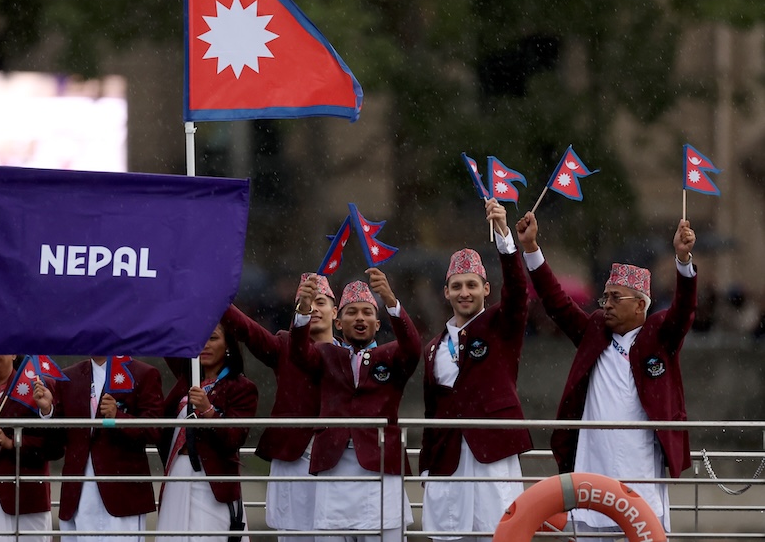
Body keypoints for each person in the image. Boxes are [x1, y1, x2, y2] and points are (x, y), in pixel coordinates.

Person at [516, 212, 698, 540]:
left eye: (616, 298)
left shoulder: (659, 335)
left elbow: (684, 310)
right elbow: (556, 301)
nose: (607, 305)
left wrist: (683, 261)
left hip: (639, 469)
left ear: (641, 305)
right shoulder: (594, 330)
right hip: (592, 466)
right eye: (605, 297)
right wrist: (531, 248)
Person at [420, 199, 531, 542]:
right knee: (448, 536)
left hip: (491, 451)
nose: (464, 292)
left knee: (497, 533)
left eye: (471, 285)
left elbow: (518, 293)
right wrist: (426, 461)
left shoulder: (501, 326)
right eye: (456, 286)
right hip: (448, 457)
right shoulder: (433, 347)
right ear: (446, 293)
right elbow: (432, 407)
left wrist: (503, 237)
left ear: (486, 289)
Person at [291, 267, 422, 542]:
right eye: (351, 312)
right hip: (334, 466)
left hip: (381, 464)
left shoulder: (391, 356)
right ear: (338, 322)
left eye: (367, 312)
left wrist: (390, 300)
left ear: (377, 324)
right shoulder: (324, 354)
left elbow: (412, 348)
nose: (359, 318)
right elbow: (298, 353)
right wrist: (303, 311)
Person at [221, 273, 337, 542]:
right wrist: (215, 297)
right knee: (292, 534)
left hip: (337, 457)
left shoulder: (351, 352)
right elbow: (246, 329)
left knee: (335, 533)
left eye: (321, 302)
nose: (314, 309)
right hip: (293, 457)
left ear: (335, 311)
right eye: (306, 303)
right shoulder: (284, 345)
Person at [32, 356, 164, 542]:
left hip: (122, 496)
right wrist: (48, 412)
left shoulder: (143, 373)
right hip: (77, 496)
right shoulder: (69, 376)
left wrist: (117, 417)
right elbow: (56, 444)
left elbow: (155, 431)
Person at [156, 323, 259, 542]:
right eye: (200, 340)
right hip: (178, 472)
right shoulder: (188, 380)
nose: (205, 345)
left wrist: (209, 411)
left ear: (228, 345)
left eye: (212, 338)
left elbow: (234, 438)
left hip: (212, 480)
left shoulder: (241, 387)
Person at [0, 354, 60, 542]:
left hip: (22, 502)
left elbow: (54, 447)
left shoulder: (37, 387)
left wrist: (11, 442)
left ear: (13, 353)